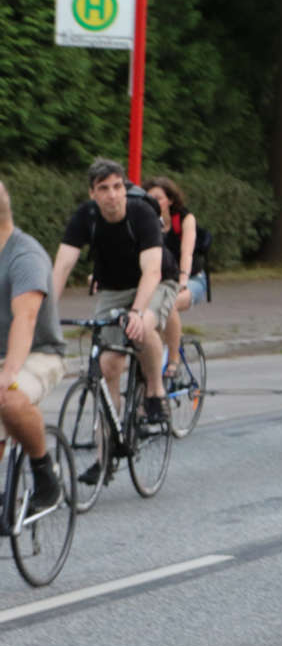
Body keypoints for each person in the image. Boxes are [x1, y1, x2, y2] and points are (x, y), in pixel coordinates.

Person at [52, 159, 175, 455]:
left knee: (143, 326)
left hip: (157, 282)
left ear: (124, 188)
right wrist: (43, 314)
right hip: (113, 289)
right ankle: (107, 451)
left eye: (118, 187)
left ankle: (155, 392)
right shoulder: (86, 216)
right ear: (93, 193)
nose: (112, 195)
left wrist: (136, 312)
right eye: (104, 188)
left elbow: (152, 271)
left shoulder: (141, 213)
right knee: (108, 365)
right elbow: (62, 267)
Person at [0, 181, 67, 513]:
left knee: (9, 398)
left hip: (37, 353)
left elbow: (25, 318)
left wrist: (8, 372)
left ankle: (44, 472)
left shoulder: (24, 255)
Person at [144, 176, 206, 379]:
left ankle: (173, 360)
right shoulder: (146, 221)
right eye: (149, 198)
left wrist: (183, 281)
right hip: (160, 281)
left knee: (168, 303)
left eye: (158, 198)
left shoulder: (185, 219)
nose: (153, 202)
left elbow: (187, 253)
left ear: (170, 200)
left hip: (192, 279)